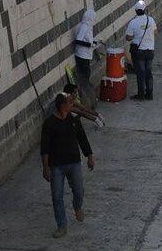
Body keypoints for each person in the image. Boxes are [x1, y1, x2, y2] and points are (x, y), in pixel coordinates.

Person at [40, 93, 95, 239]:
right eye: (70, 102)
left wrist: (89, 156)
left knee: (79, 191)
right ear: (62, 105)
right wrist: (45, 167)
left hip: (73, 163)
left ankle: (77, 206)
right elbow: (44, 148)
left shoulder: (74, 120)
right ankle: (61, 225)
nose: (73, 104)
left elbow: (82, 139)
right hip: (56, 166)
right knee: (57, 196)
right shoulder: (49, 123)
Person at [125, 0, 158, 100]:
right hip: (150, 50)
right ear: (145, 10)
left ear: (136, 11)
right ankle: (149, 94)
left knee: (140, 73)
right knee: (148, 72)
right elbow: (156, 33)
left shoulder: (133, 23)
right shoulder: (151, 20)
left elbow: (128, 38)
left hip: (139, 51)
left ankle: (141, 95)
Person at [73, 9, 100, 106]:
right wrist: (89, 45)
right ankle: (85, 98)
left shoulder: (88, 26)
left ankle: (87, 97)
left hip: (86, 55)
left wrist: (94, 42)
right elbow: (78, 40)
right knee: (85, 76)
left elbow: (87, 39)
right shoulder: (84, 26)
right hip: (82, 55)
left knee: (86, 75)